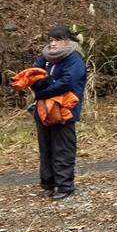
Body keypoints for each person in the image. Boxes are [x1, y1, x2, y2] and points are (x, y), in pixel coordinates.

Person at [29, 24, 87, 200]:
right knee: (46, 148)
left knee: (63, 149)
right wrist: (40, 86)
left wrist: (43, 91)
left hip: (65, 110)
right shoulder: (44, 57)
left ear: (67, 41)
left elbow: (68, 82)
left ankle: (65, 186)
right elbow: (32, 76)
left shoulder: (74, 58)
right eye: (51, 40)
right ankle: (48, 184)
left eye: (58, 40)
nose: (53, 44)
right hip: (43, 109)